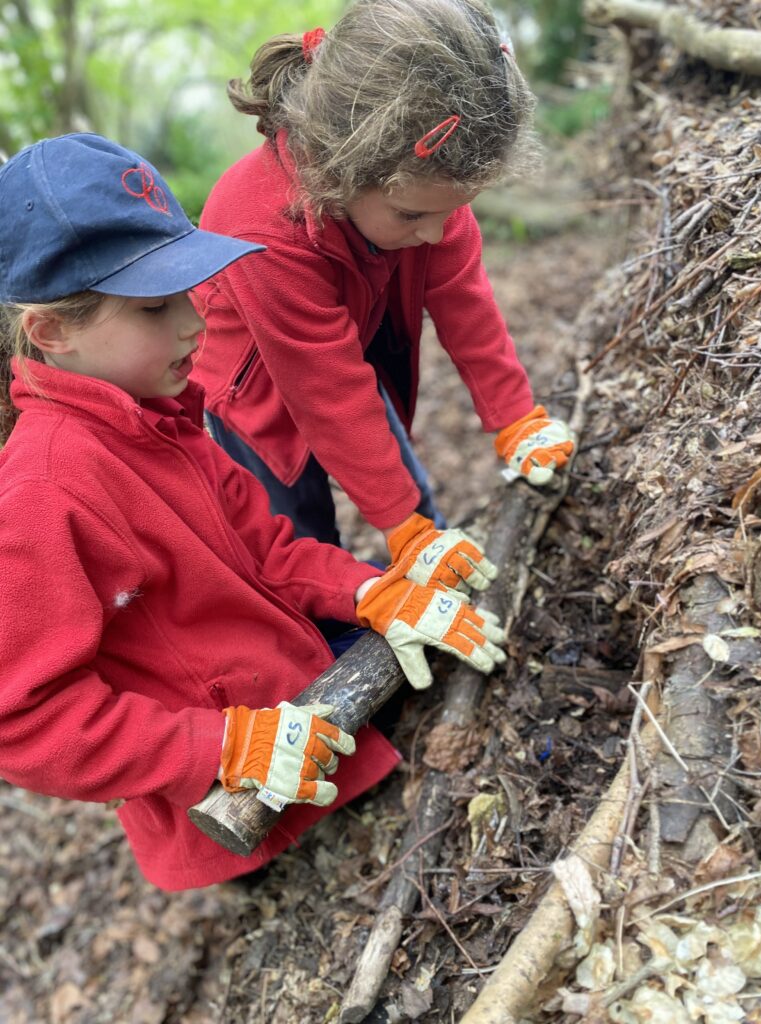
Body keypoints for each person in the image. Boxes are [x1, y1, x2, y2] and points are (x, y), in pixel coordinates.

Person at [0, 133, 507, 892]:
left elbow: (269, 550)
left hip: (314, 722)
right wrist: (217, 748)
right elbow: (24, 717)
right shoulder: (44, 491)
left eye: (189, 292)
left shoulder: (164, 418)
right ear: (52, 332)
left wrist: (372, 591)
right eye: (154, 307)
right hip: (243, 811)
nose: (194, 325)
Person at [192, 0, 575, 575]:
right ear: (338, 171)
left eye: (455, 211)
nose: (438, 232)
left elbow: (466, 304)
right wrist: (399, 527)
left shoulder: (429, 188)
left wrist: (515, 417)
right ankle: (327, 643)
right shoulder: (263, 229)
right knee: (295, 533)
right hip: (251, 386)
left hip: (346, 333)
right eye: (411, 217)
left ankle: (440, 558)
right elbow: (330, 393)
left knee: (402, 484)